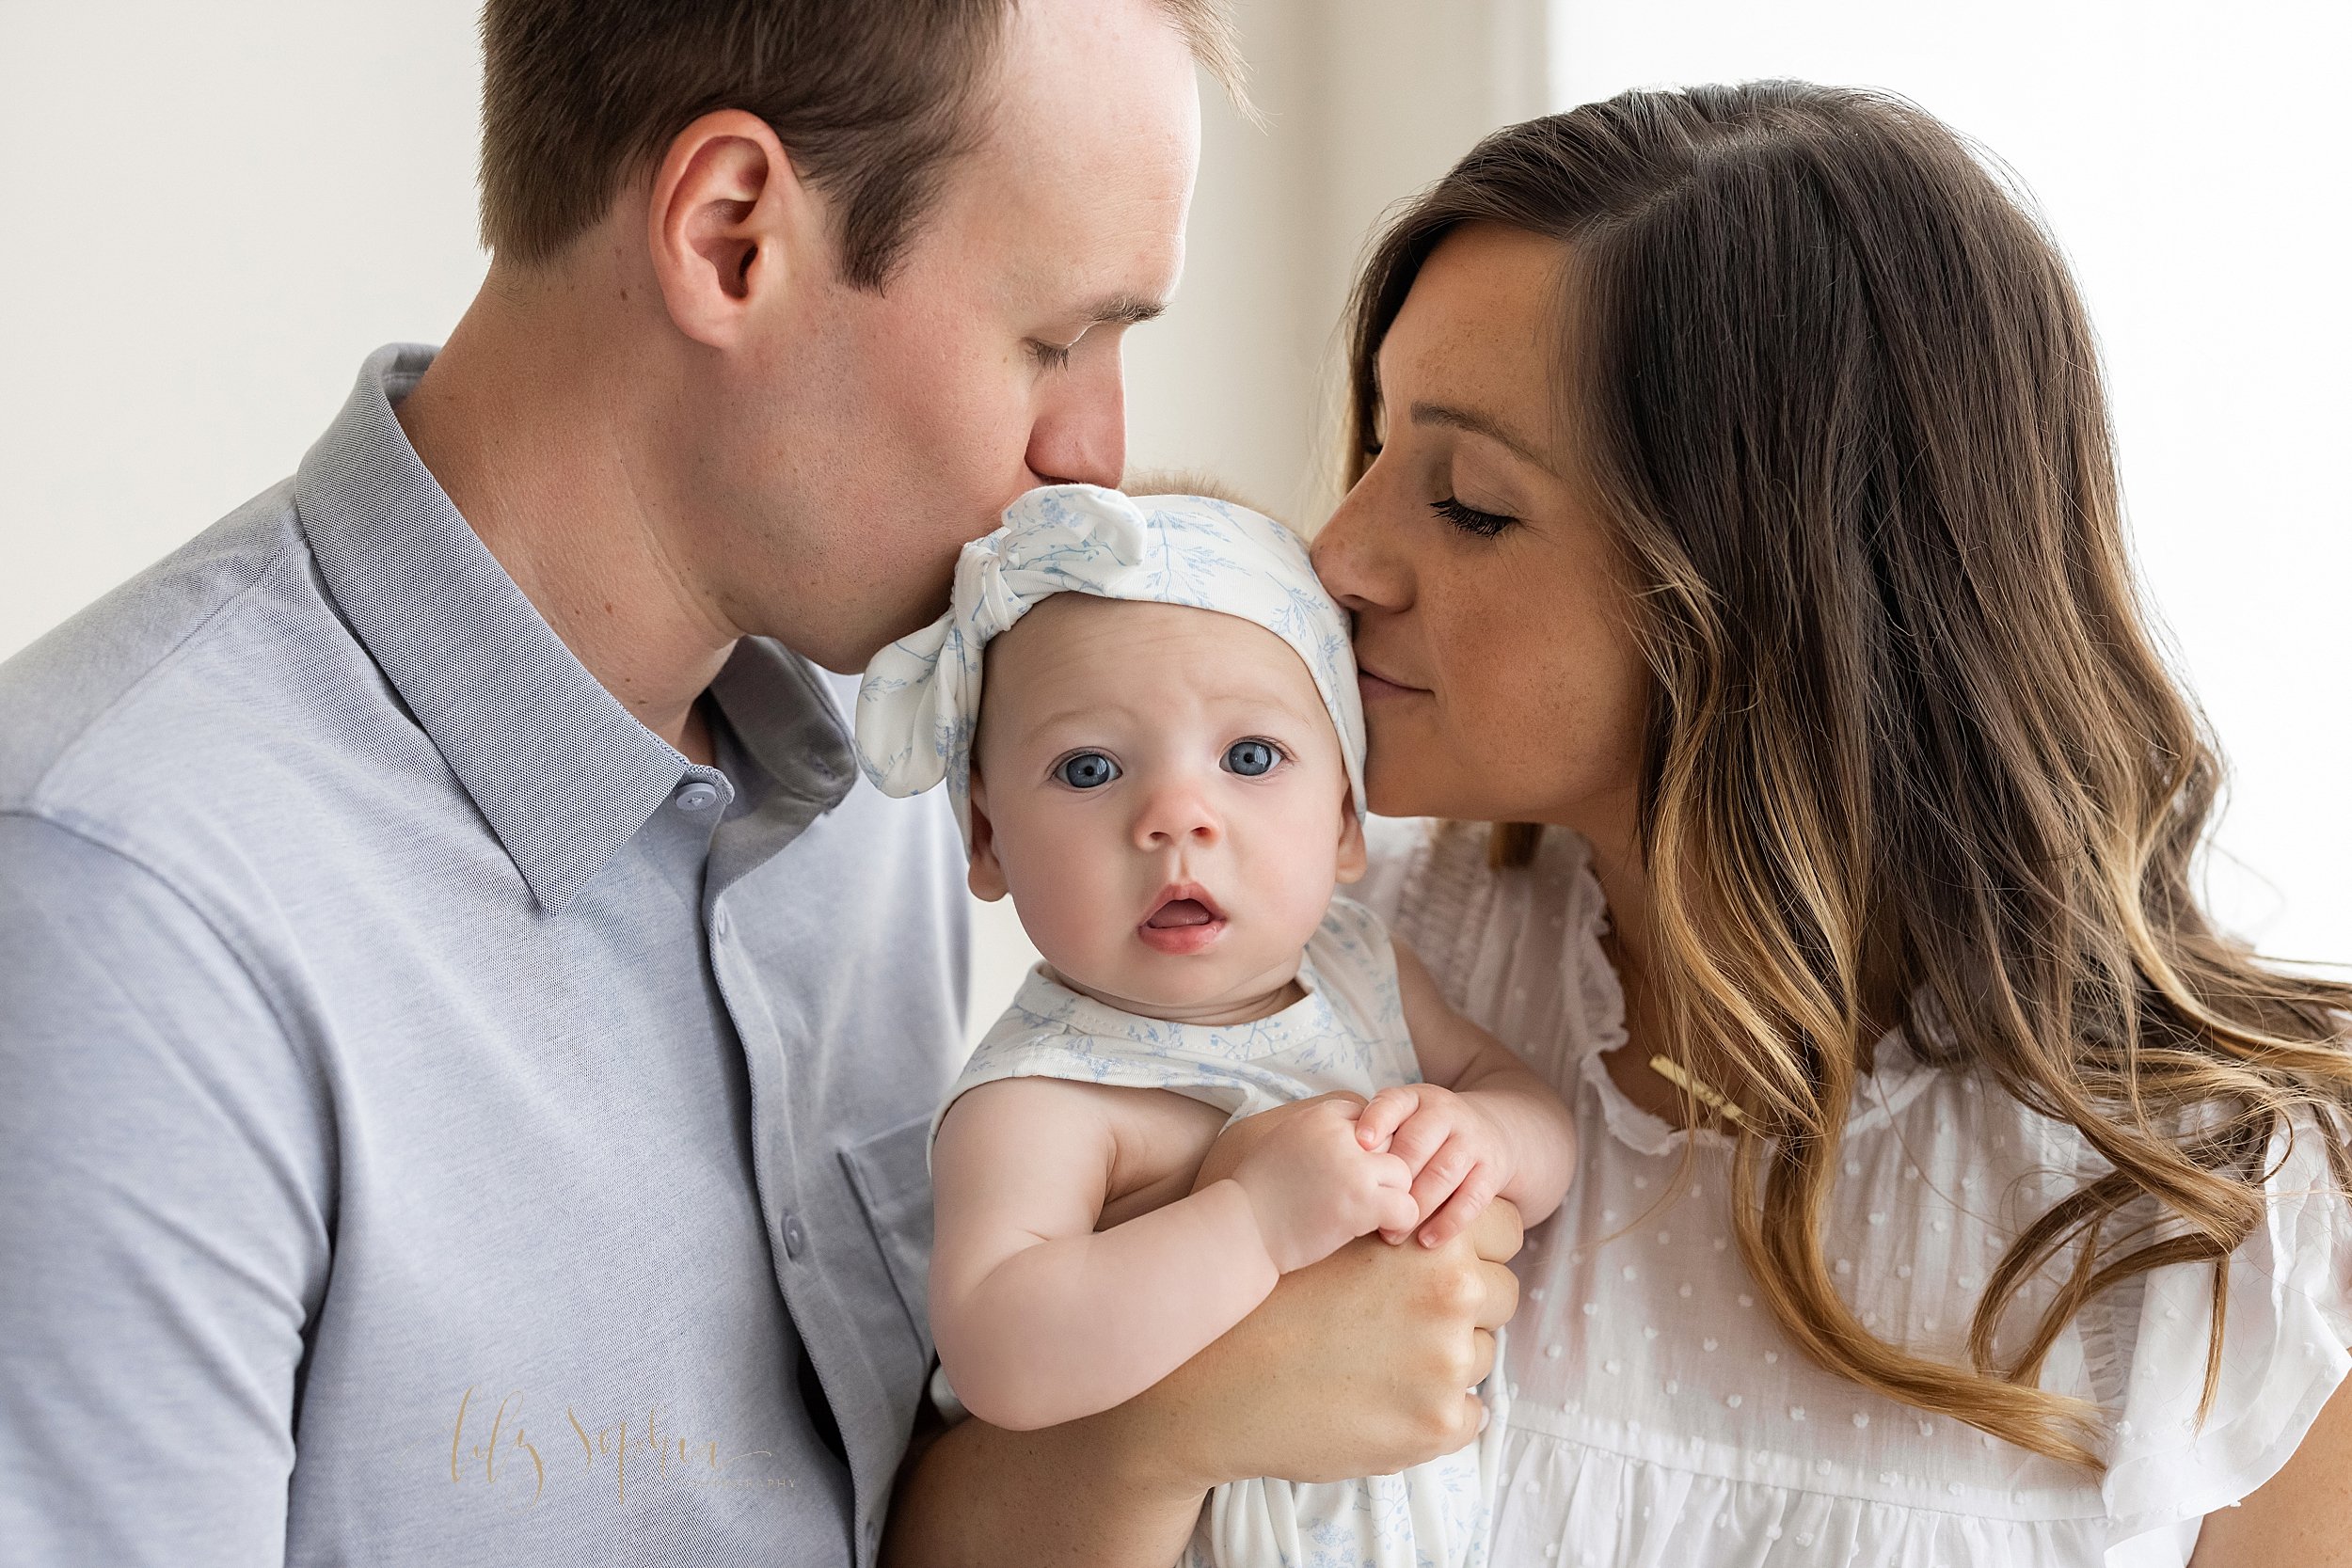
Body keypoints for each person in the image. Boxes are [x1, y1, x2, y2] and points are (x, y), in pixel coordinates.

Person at [892, 83, 2352, 1568]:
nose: (1337, 552)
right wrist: (1175, 1420)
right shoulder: (1308, 958)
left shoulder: (2245, 1215)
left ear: (1774, 587)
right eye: (1380, 446)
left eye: (1466, 501)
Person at [0, 2, 1347, 1563]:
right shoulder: (119, 906)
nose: (1097, 451)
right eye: (1053, 339)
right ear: (730, 236)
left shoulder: (899, 748)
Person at [854, 482, 1578, 1568]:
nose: (1176, 816)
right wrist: (1249, 1222)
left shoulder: (1360, 965)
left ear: (1343, 819)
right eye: (1090, 768)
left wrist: (1487, 1136)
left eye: (1248, 758)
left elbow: (1530, 1111)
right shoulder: (1042, 1097)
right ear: (989, 838)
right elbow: (1002, 1348)